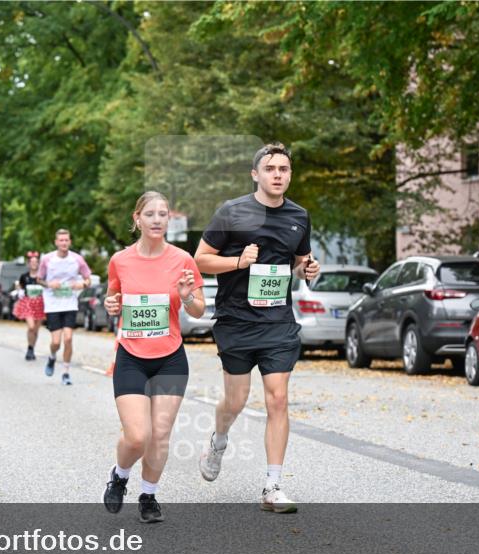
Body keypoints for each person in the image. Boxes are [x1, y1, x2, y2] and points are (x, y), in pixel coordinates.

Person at [193, 142, 320, 513]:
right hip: (236, 319)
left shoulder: (299, 215)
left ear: (290, 174)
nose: (277, 175)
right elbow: (200, 260)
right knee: (235, 400)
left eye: (283, 169)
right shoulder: (232, 212)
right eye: (270, 169)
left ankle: (272, 485)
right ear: (256, 174)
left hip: (278, 321)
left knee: (277, 398)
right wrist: (238, 262)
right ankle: (219, 439)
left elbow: (300, 261)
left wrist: (309, 269)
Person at [101, 192, 205, 523]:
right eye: (150, 214)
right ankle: (120, 475)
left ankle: (148, 496)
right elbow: (112, 298)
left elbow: (199, 309)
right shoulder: (120, 260)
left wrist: (187, 299)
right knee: (137, 435)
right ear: (137, 219)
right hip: (131, 356)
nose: (158, 219)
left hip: (170, 357)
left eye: (163, 214)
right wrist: (110, 306)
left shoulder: (183, 259)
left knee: (159, 434)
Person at [37, 229, 91, 385]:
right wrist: (48, 284)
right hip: (53, 304)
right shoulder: (47, 259)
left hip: (70, 303)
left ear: (70, 242)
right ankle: (52, 357)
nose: (64, 243)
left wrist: (82, 284)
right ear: (56, 242)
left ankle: (66, 372)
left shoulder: (78, 259)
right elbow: (39, 279)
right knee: (56, 342)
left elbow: (88, 279)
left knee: (68, 338)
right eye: (61, 240)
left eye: (66, 240)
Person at [13, 251, 45, 360]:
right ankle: (29, 348)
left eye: (36, 262)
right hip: (28, 303)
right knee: (31, 327)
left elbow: (47, 287)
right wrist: (19, 291)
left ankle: (32, 349)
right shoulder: (24, 276)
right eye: (32, 262)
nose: (34, 264)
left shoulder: (42, 277)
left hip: (40, 304)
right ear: (29, 264)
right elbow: (19, 286)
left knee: (35, 329)